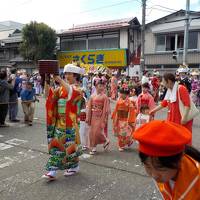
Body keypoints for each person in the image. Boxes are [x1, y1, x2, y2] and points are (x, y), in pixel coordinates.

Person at [133, 120, 200, 200]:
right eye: (147, 166)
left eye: (160, 168)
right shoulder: (164, 176)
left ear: (179, 159)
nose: (154, 175)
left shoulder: (196, 180)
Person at [42, 64, 83, 181]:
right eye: (65, 74)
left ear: (76, 76)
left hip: (71, 123)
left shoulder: (78, 90)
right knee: (57, 147)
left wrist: (59, 80)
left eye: (69, 74)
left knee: (70, 148)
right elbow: (48, 96)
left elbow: (72, 93)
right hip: (60, 123)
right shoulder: (60, 89)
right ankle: (52, 171)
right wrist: (47, 80)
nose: (67, 76)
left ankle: (74, 166)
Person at [86, 78, 110, 155]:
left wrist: (104, 119)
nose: (101, 87)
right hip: (93, 116)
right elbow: (89, 107)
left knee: (97, 132)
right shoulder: (92, 96)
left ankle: (105, 140)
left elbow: (105, 109)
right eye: (100, 86)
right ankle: (94, 147)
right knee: (92, 132)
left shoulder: (105, 97)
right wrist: (88, 117)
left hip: (100, 116)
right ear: (96, 86)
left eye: (103, 86)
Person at [112, 86, 136, 151]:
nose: (121, 94)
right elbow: (116, 109)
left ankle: (128, 142)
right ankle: (121, 145)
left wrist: (130, 120)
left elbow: (131, 111)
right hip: (119, 118)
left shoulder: (129, 102)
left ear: (126, 94)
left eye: (123, 93)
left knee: (126, 133)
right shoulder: (119, 101)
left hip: (126, 119)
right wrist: (114, 116)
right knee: (120, 133)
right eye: (121, 93)